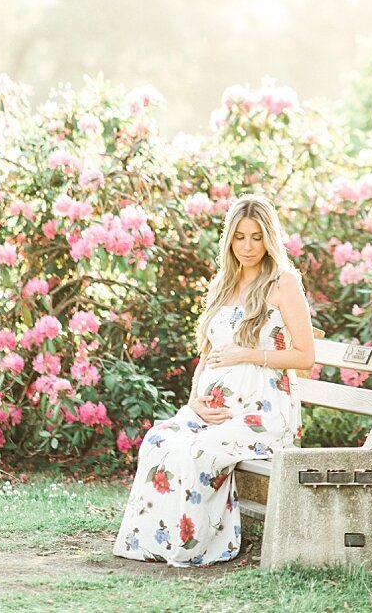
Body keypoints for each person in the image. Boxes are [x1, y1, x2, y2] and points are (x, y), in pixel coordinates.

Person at [113, 192, 315, 567]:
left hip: (264, 412)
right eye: (240, 237)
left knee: (198, 452)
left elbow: (306, 357)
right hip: (215, 408)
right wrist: (194, 400)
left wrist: (249, 354)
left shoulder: (283, 283)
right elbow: (206, 354)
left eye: (257, 237)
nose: (248, 246)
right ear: (229, 239)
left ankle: (196, 547)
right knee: (158, 440)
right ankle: (155, 543)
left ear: (270, 237)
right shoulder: (225, 283)